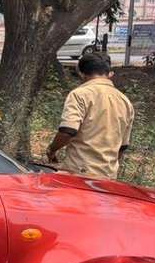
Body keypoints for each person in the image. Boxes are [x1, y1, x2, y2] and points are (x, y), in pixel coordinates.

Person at [46, 51, 134, 179]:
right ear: (109, 74)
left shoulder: (79, 94)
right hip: (108, 175)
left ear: (81, 73)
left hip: (80, 172)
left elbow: (68, 131)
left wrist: (52, 150)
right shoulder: (125, 101)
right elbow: (123, 146)